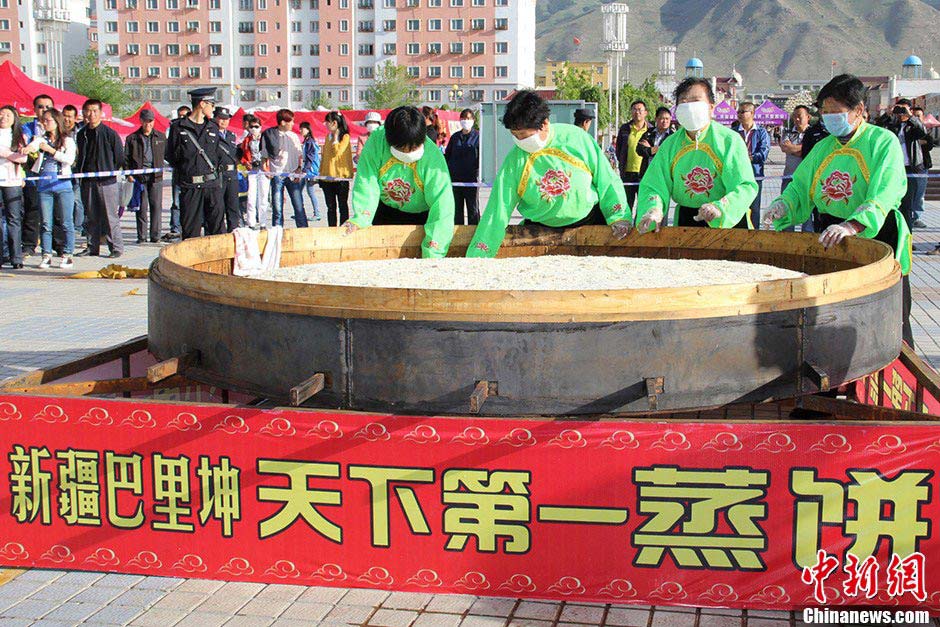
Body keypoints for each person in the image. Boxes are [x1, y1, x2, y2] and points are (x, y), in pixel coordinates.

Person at [764, 74, 913, 347]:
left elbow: (885, 191)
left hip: (878, 234)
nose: (829, 117)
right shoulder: (823, 147)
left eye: (836, 112)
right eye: (825, 112)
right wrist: (782, 205)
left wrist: (853, 225)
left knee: (888, 320)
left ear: (858, 111)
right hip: (830, 235)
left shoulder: (883, 141)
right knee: (834, 315)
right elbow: (801, 186)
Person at [467, 90, 631, 258]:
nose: (519, 141)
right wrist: (479, 254)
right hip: (538, 230)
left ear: (544, 124)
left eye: (523, 135)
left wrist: (619, 216)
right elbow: (498, 206)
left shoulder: (577, 139)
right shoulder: (515, 159)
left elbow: (606, 179)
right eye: (514, 135)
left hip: (588, 222)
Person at [634, 77, 758, 233]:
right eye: (684, 102)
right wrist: (654, 209)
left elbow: (745, 186)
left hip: (728, 220)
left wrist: (720, 208)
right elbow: (654, 185)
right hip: (687, 219)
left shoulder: (730, 141)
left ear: (711, 107)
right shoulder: (670, 145)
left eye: (696, 100)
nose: (689, 107)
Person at [344, 106, 455, 258]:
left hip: (422, 216)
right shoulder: (376, 142)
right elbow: (367, 183)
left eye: (413, 148)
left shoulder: (432, 157)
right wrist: (361, 218)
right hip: (385, 211)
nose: (408, 153)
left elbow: (442, 206)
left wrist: (433, 252)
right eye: (402, 149)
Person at [165, 87, 224, 240]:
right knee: (191, 232)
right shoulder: (178, 128)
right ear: (202, 104)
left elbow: (217, 155)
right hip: (190, 187)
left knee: (217, 231)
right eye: (212, 104)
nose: (213, 108)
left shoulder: (213, 127)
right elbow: (171, 155)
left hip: (211, 186)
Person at [75, 99, 125, 258]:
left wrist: (109, 170)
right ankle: (92, 246)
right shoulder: (81, 134)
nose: (91, 114)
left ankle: (115, 247)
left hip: (107, 181)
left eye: (95, 111)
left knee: (110, 216)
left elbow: (119, 158)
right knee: (91, 216)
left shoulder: (110, 134)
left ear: (100, 113)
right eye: (88, 111)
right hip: (88, 181)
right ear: (83, 113)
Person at [28, 107, 76, 269]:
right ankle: (46, 254)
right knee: (45, 223)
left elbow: (69, 160)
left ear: (57, 122)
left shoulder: (68, 140)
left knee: (66, 222)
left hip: (63, 184)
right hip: (44, 186)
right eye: (44, 121)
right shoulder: (41, 139)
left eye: (48, 120)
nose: (45, 123)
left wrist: (51, 151)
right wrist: (27, 149)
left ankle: (68, 254)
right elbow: (33, 146)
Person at [886, 99, 932, 229]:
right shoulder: (893, 125)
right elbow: (881, 129)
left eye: (904, 109)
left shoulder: (912, 126)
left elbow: (922, 131)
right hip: (894, 168)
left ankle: (907, 237)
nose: (901, 113)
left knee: (908, 206)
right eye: (899, 109)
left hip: (910, 169)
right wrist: (889, 114)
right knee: (893, 203)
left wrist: (910, 116)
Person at [124, 108, 166, 243]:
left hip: (156, 177)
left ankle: (156, 236)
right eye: (145, 121)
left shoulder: (161, 137)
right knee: (141, 208)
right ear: (141, 121)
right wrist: (128, 174)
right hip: (139, 178)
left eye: (150, 121)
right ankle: (141, 237)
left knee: (156, 207)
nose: (148, 124)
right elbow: (125, 158)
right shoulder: (132, 138)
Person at [20, 94, 54, 257]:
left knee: (56, 214)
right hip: (33, 177)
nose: (44, 110)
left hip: (54, 178)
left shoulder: (59, 130)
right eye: (40, 107)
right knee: (31, 212)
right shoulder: (26, 128)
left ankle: (58, 246)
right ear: (34, 109)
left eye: (48, 107)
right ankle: (28, 245)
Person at [263, 109, 307, 228]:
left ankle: (303, 230)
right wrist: (266, 169)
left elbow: (300, 155)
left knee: (299, 206)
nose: (293, 124)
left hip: (292, 174)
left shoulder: (294, 136)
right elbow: (264, 155)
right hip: (277, 174)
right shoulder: (270, 135)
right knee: (277, 207)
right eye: (291, 121)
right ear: (283, 122)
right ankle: (277, 232)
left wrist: (299, 169)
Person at [732, 101, 771, 228]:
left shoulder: (761, 132)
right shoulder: (733, 133)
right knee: (737, 206)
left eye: (743, 111)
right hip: (736, 176)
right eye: (738, 112)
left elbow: (763, 154)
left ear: (752, 113)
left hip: (755, 175)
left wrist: (748, 158)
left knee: (754, 208)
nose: (739, 114)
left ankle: (754, 235)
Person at [0, 105, 28, 269]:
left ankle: (16, 257)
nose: (3, 118)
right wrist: (11, 155)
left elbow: (23, 158)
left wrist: (4, 153)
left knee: (14, 220)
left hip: (12, 182)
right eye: (1, 115)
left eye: (7, 115)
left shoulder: (18, 136)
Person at [780, 105, 814, 232]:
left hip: (808, 179)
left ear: (808, 117)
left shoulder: (812, 133)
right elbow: (785, 148)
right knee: (787, 207)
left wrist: (796, 148)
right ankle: (787, 235)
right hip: (789, 177)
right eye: (794, 116)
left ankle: (807, 235)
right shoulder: (788, 132)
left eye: (799, 116)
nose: (796, 119)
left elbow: (811, 150)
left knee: (808, 209)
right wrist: (803, 148)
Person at [444, 108, 480, 225]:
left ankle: (473, 234)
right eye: (463, 118)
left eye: (468, 118)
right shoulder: (455, 137)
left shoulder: (478, 137)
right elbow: (447, 156)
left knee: (473, 210)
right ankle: (457, 236)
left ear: (473, 120)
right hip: (455, 180)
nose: (465, 121)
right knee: (457, 210)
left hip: (471, 180)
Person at [320, 111, 354, 227]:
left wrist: (335, 138)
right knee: (330, 207)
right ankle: (332, 228)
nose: (325, 124)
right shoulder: (327, 137)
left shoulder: (345, 137)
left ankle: (344, 228)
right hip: (327, 178)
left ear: (334, 123)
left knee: (342, 205)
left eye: (327, 122)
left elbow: (337, 153)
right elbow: (325, 157)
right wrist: (321, 174)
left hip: (341, 178)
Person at [162, 104, 191, 241]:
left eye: (185, 116)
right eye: (180, 116)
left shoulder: (194, 130)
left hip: (191, 173)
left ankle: (188, 228)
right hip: (179, 172)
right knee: (177, 202)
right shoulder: (174, 129)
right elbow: (168, 152)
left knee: (190, 202)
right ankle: (175, 228)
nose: (182, 118)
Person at [616, 100, 651, 212]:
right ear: (631, 112)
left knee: (644, 205)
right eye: (634, 109)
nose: (637, 112)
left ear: (646, 112)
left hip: (645, 173)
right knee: (627, 205)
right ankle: (627, 227)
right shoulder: (625, 129)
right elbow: (619, 149)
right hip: (628, 174)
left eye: (640, 110)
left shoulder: (651, 130)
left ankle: (640, 228)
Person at [239, 114, 270, 229]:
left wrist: (267, 166)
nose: (254, 129)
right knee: (251, 198)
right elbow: (242, 154)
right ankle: (251, 222)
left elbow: (272, 153)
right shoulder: (247, 139)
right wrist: (245, 162)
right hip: (252, 169)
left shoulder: (265, 137)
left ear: (261, 127)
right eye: (251, 127)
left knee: (263, 198)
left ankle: (263, 223)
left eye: (256, 126)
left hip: (263, 169)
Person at [214, 108, 241, 232]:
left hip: (232, 174)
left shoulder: (231, 135)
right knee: (218, 207)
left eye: (226, 119)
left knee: (233, 206)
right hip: (218, 174)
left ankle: (234, 231)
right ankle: (220, 232)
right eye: (221, 118)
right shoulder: (211, 134)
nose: (224, 121)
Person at [61, 104, 84, 244]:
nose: (67, 119)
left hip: (77, 170)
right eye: (65, 115)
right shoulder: (58, 131)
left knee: (77, 199)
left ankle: (77, 227)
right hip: (62, 170)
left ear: (75, 118)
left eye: (70, 116)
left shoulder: (80, 132)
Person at [636, 106, 674, 178]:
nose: (665, 121)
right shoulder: (648, 133)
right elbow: (639, 150)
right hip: (647, 173)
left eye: (667, 119)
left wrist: (651, 148)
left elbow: (668, 153)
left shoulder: (673, 136)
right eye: (662, 118)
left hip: (664, 174)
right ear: (656, 119)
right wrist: (652, 150)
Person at [299, 121, 321, 221]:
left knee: (309, 191)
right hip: (308, 169)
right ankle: (301, 212)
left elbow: (310, 157)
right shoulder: (306, 141)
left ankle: (316, 213)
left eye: (302, 129)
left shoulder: (310, 142)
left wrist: (306, 169)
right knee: (303, 191)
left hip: (311, 170)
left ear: (307, 129)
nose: (300, 131)